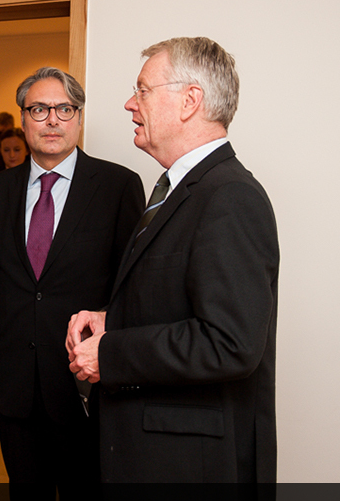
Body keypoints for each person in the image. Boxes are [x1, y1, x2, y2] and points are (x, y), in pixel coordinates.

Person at [67, 37, 279, 483]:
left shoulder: (229, 196)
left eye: (143, 90)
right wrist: (111, 320)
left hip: (187, 467)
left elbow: (230, 342)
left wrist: (111, 352)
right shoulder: (178, 189)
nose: (130, 103)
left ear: (189, 101)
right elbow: (175, 301)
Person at [0, 67, 144, 500]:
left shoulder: (117, 186)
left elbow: (132, 290)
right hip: (15, 388)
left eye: (64, 109)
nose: (52, 120)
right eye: (39, 109)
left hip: (86, 386)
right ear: (22, 119)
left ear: (79, 117)